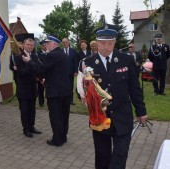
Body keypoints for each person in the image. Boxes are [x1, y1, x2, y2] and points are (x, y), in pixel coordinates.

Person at [79, 24, 148, 169]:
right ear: (96, 43)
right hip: (100, 117)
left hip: (122, 116)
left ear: (115, 43)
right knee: (102, 156)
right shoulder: (87, 64)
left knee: (120, 154)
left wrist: (141, 111)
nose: (105, 47)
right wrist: (83, 96)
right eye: (102, 43)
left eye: (109, 43)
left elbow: (134, 88)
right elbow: (81, 87)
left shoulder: (126, 60)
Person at [22, 35, 72, 147]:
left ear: (54, 44)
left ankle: (57, 140)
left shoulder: (52, 55)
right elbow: (55, 71)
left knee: (55, 116)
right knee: (64, 116)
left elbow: (41, 69)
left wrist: (29, 61)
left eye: (48, 43)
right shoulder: (62, 54)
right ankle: (63, 137)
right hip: (65, 91)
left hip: (55, 92)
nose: (45, 45)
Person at [14, 38, 42, 138]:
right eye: (28, 45)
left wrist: (30, 62)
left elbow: (39, 69)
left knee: (32, 110)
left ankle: (31, 127)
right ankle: (25, 129)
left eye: (31, 45)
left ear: (33, 46)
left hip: (33, 88)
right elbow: (21, 73)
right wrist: (29, 65)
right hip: (23, 89)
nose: (29, 46)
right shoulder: (18, 57)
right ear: (24, 45)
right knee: (24, 111)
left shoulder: (34, 56)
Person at [62, 37, 77, 105]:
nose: (65, 43)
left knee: (71, 86)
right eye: (64, 42)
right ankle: (64, 99)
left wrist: (75, 71)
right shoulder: (60, 51)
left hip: (71, 72)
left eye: (66, 42)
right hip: (62, 73)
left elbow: (75, 62)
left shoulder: (73, 51)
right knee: (63, 86)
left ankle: (70, 100)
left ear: (69, 42)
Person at [36, 40, 47, 107]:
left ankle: (49, 101)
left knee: (49, 89)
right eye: (43, 45)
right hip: (41, 74)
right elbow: (37, 65)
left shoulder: (49, 53)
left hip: (48, 74)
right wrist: (37, 76)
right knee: (40, 89)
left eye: (45, 45)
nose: (45, 46)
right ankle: (41, 102)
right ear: (41, 46)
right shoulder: (38, 54)